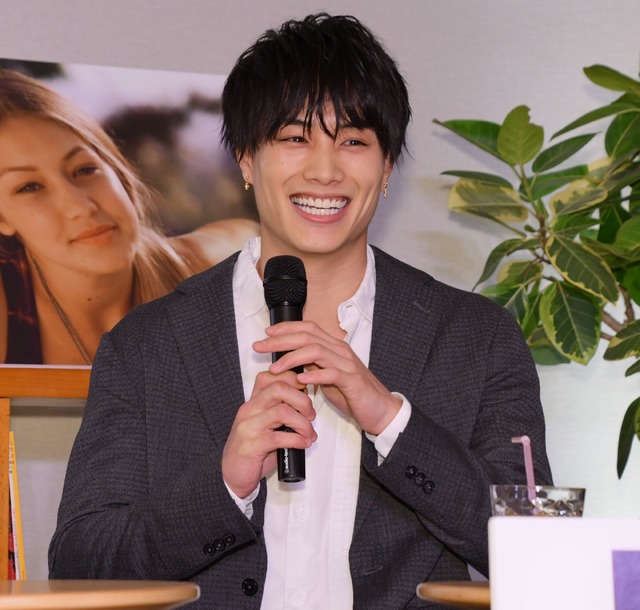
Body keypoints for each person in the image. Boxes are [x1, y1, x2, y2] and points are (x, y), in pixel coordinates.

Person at [49, 13, 553, 609]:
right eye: (294, 138)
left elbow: (539, 553)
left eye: (354, 141)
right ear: (245, 159)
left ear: (387, 167)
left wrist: (389, 420)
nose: (325, 170)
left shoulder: (477, 336)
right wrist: (224, 483)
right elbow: (81, 563)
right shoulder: (147, 343)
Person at [0, 69, 258, 365]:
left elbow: (247, 238)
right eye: (29, 187)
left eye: (84, 169)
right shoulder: (10, 302)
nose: (80, 207)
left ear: (117, 171)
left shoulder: (210, 267)